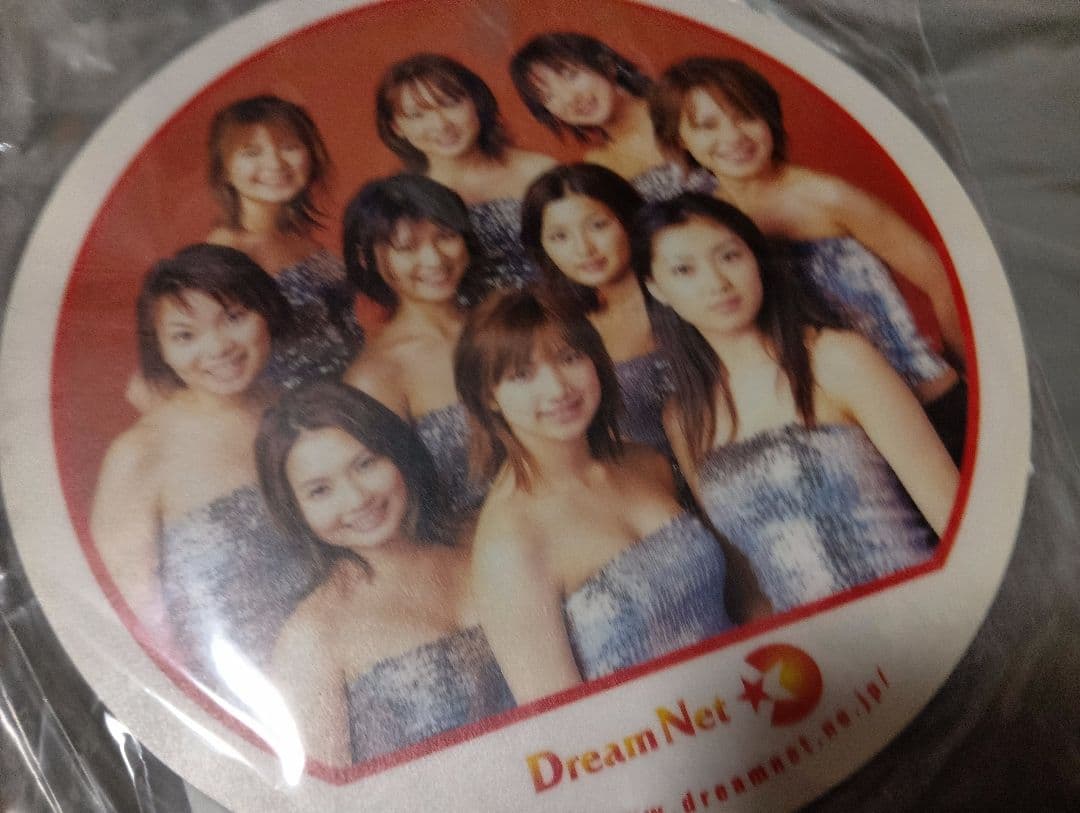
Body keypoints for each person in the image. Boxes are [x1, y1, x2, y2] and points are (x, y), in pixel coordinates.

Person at [631, 193, 959, 613]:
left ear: (754, 259)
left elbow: (951, 513)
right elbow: (749, 585)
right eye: (684, 270)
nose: (717, 282)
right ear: (656, 288)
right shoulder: (684, 418)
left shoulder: (837, 358)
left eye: (729, 256)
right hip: (811, 651)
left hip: (921, 613)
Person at [650, 58, 967, 462]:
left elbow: (943, 279)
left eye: (746, 116)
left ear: (769, 119)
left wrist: (969, 376)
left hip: (927, 406)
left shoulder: (828, 197)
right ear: (678, 140)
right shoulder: (708, 221)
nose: (733, 136)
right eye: (708, 126)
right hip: (839, 434)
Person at [454, 288, 736, 704]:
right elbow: (562, 721)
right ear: (488, 397)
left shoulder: (645, 462)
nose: (557, 389)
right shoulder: (510, 547)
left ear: (596, 360)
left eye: (569, 358)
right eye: (522, 375)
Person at [255, 381, 513, 767]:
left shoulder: (489, 534)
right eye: (320, 490)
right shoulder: (310, 638)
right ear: (294, 510)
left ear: (397, 453)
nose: (358, 499)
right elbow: (324, 794)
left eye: (365, 464)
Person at [91, 244, 318, 683]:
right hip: (229, 690)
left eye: (234, 317)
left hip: (335, 663)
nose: (217, 347)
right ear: (160, 349)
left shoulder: (300, 410)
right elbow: (136, 619)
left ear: (266, 312)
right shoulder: (139, 454)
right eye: (185, 336)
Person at [342, 174, 487, 520]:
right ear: (368, 258)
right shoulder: (375, 376)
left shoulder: (503, 323)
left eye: (446, 237)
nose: (434, 259)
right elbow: (405, 514)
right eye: (407, 248)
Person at [206, 95, 363, 388]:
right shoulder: (225, 255)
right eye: (252, 152)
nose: (275, 163)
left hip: (354, 392)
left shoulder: (291, 232)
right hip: (302, 408)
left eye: (289, 147)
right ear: (224, 170)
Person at [521, 162, 671, 455]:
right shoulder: (556, 326)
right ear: (543, 248)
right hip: (636, 477)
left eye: (598, 225)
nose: (583, 249)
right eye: (560, 236)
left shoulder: (679, 291)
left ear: (629, 220)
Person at [375, 53, 556, 295]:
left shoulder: (539, 170)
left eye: (450, 103)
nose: (441, 124)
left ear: (476, 103)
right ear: (396, 127)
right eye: (417, 115)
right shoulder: (399, 200)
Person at [510, 32, 713, 201]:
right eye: (549, 96)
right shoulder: (599, 165)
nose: (570, 98)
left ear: (607, 64)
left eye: (571, 75)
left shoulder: (679, 107)